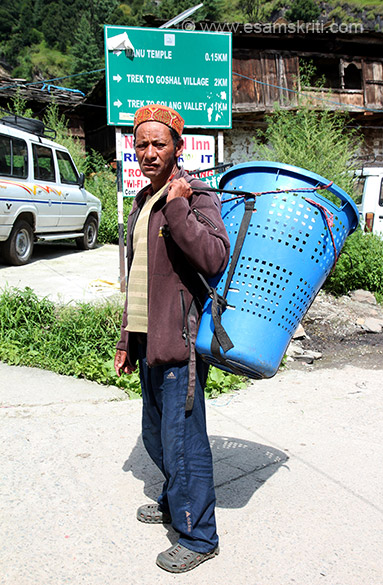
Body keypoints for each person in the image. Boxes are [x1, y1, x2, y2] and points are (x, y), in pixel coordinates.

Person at [114, 104, 230, 573]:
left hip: (180, 341)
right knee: (156, 435)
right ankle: (172, 498)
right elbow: (137, 278)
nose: (148, 152)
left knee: (184, 441)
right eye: (141, 144)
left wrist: (179, 204)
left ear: (178, 148)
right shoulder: (142, 202)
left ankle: (200, 536)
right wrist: (126, 338)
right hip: (147, 340)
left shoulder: (196, 195)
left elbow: (214, 257)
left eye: (158, 143)